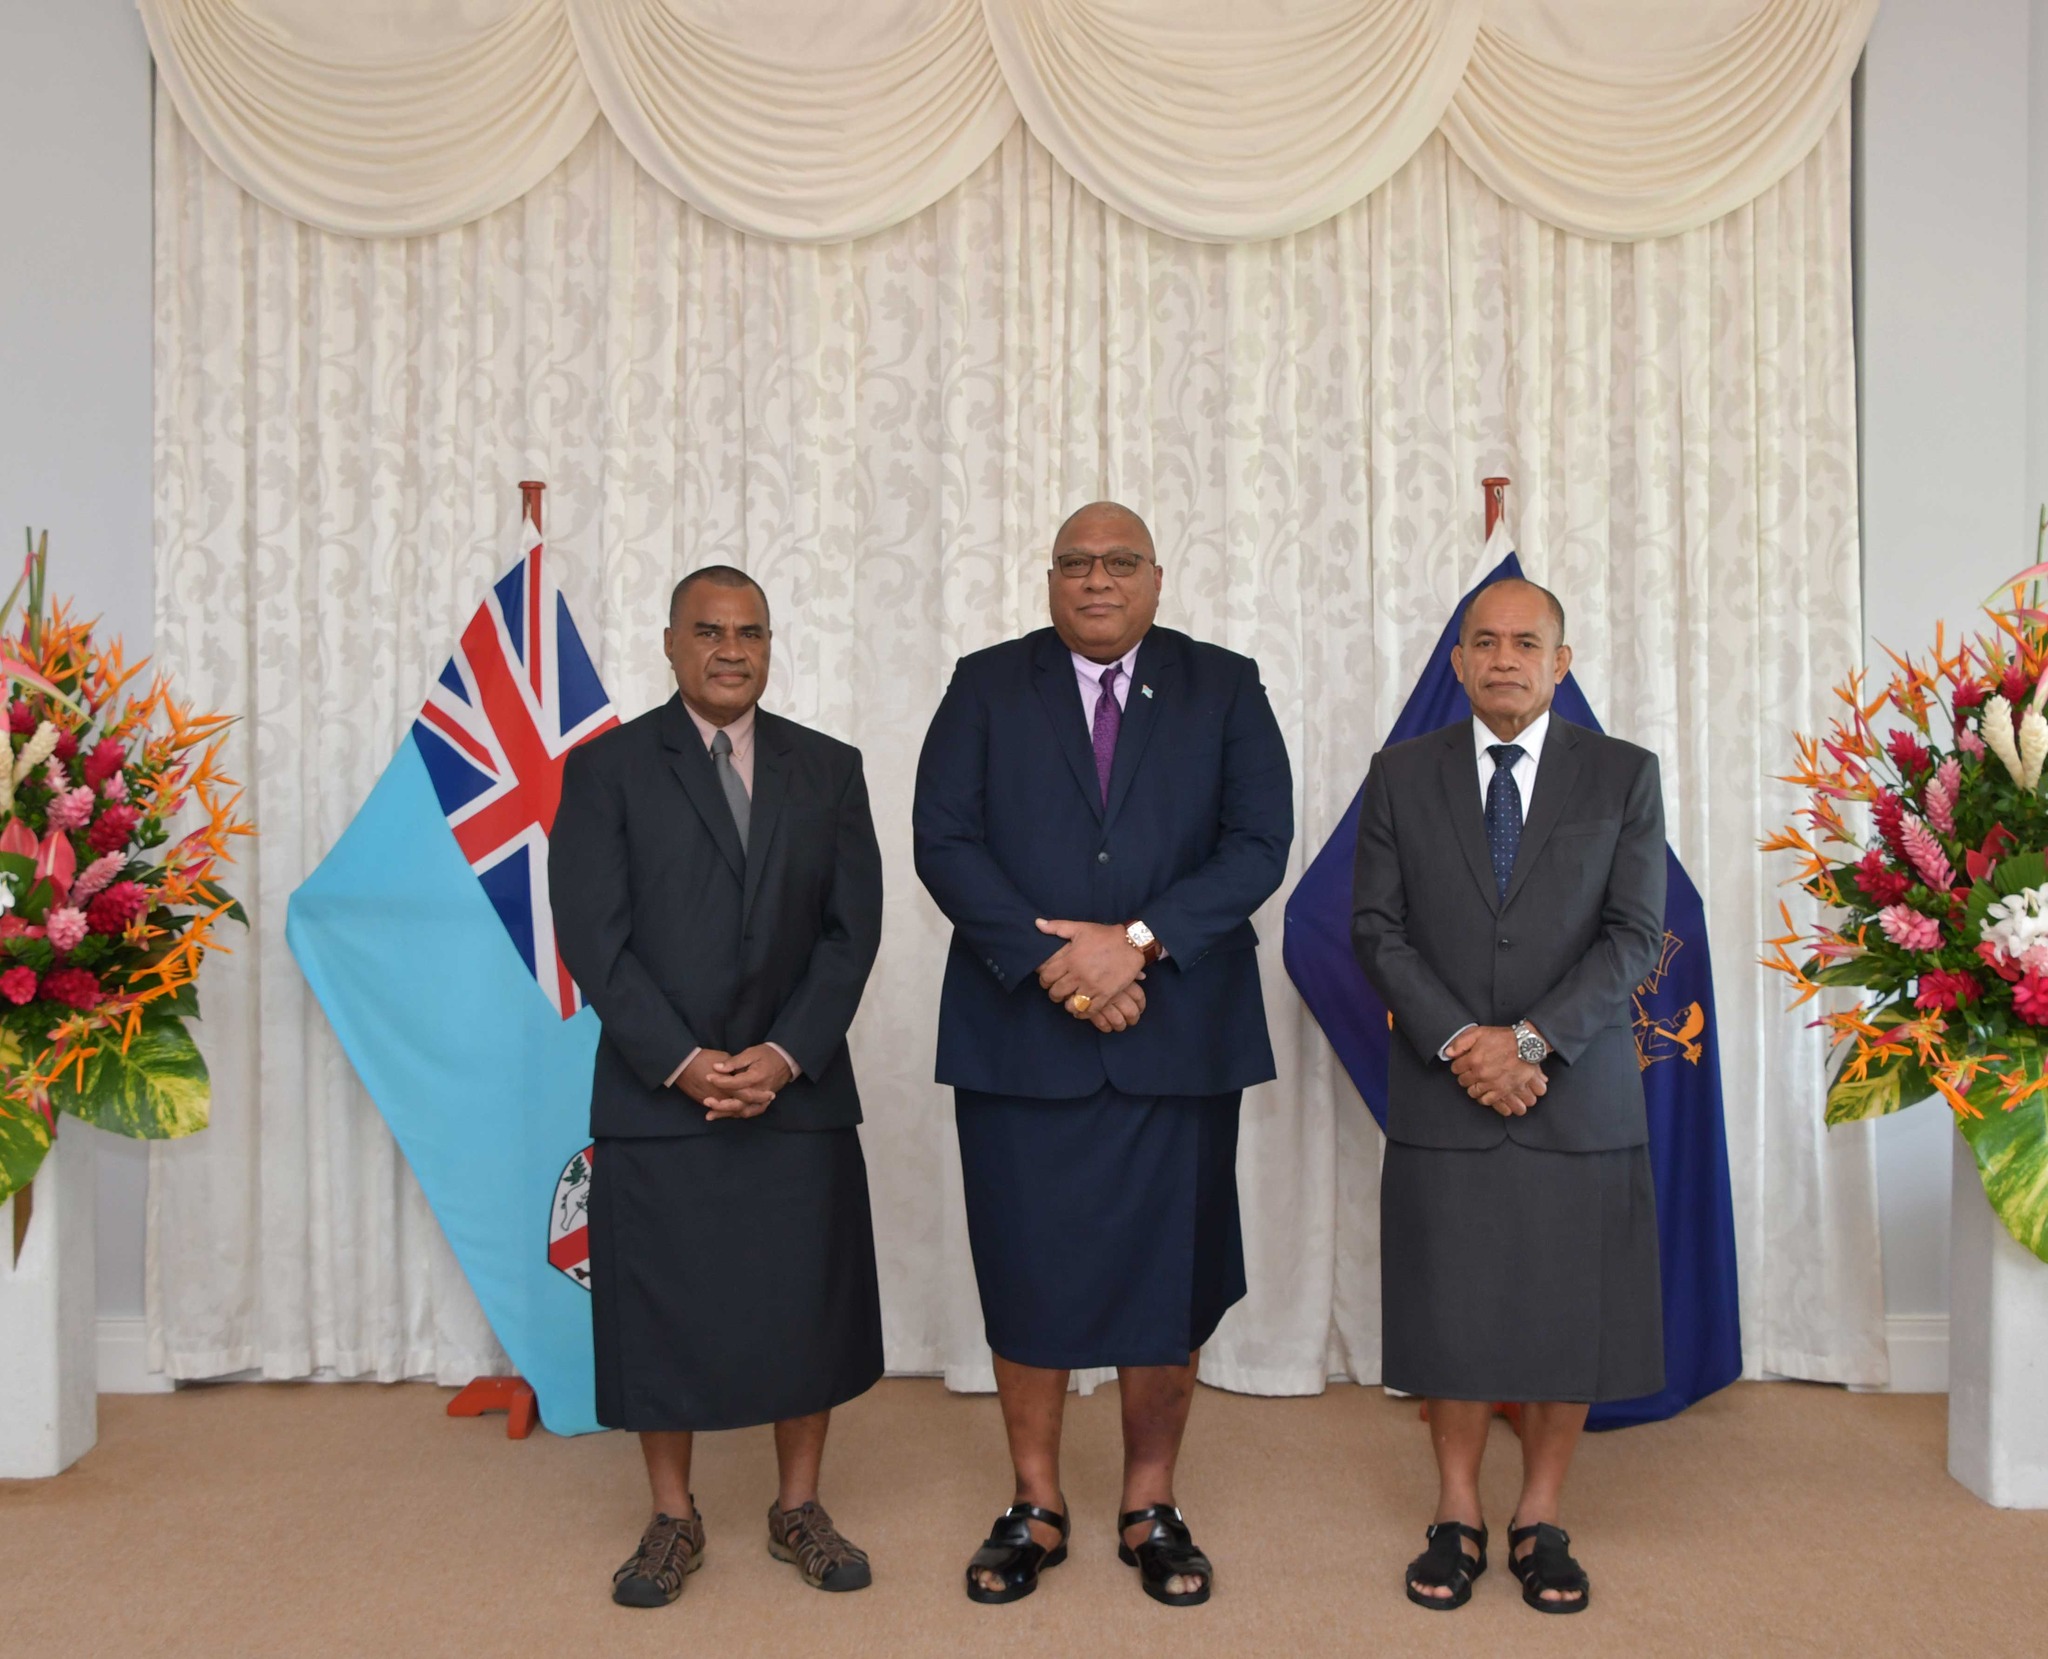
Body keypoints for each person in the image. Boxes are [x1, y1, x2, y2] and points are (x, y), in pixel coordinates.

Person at [913, 501, 1293, 1610]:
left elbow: (1256, 842)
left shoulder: (1225, 685)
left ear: (1157, 579)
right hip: (1017, 1032)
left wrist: (1131, 946)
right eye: (1074, 564)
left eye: (1117, 563)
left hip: (1176, 1027)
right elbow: (943, 838)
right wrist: (1057, 970)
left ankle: (1149, 1502)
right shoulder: (984, 683)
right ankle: (1034, 1499)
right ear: (1048, 580)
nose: (1094, 580)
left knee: (1162, 1281)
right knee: (1025, 1269)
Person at [550, 566, 885, 1608]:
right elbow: (593, 942)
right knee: (664, 1316)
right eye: (708, 631)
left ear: (770, 644)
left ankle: (798, 1506)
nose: (729, 649)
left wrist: (783, 1055)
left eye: (749, 632)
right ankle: (671, 1516)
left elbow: (851, 932)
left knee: (805, 1308)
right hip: (659, 1095)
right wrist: (683, 1061)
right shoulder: (605, 772)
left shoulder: (828, 770)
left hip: (800, 1089)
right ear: (668, 642)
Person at [1350, 575, 1666, 1615]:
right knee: (1454, 1310)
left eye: (1524, 642)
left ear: (1559, 661)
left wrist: (1527, 1041)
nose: (1502, 658)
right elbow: (1374, 931)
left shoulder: (1622, 775)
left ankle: (1536, 1515)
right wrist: (1462, 1045)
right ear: (1455, 661)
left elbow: (1631, 935)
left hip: (1573, 1091)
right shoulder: (1399, 775)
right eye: (1481, 642)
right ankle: (1455, 1513)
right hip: (1445, 1090)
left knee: (1564, 1312)